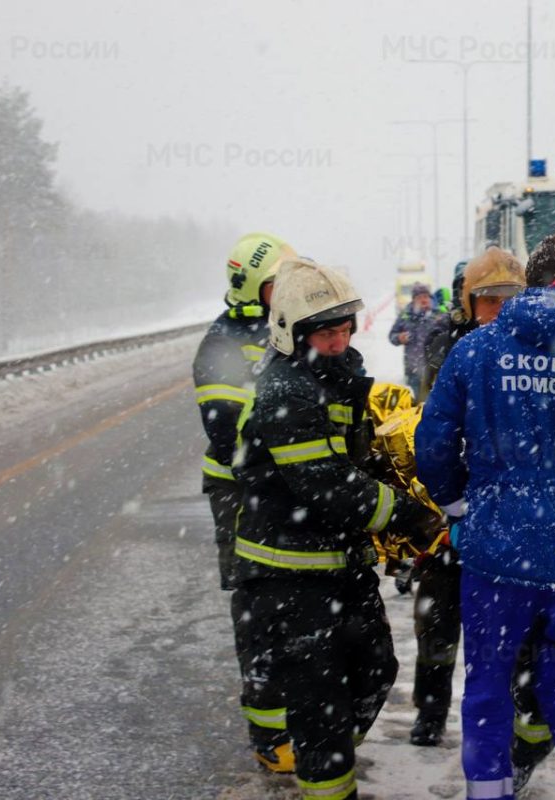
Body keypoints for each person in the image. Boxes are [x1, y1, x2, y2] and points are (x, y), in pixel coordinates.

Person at [416, 235, 555, 800]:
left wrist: (458, 505)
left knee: (489, 685)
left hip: (497, 554)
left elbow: (434, 441)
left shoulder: (478, 350)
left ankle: (488, 793)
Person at [233, 257, 444, 798]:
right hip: (289, 575)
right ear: (292, 332)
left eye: (345, 327)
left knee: (376, 669)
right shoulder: (285, 391)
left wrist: (396, 473)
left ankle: (322, 753)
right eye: (326, 332)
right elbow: (326, 482)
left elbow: (351, 461)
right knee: (320, 703)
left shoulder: (337, 374)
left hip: (340, 564)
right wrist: (409, 516)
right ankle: (323, 770)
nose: (339, 339)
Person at [408, 247, 527, 747]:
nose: (499, 310)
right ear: (467, 302)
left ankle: (515, 715)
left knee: (512, 626)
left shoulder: (534, 346)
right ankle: (430, 710)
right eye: (489, 299)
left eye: (509, 298)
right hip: (453, 503)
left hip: (509, 508)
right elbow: (437, 426)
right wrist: (451, 502)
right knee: (438, 616)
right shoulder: (450, 344)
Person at [191, 231, 295, 771]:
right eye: (280, 282)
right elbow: (226, 429)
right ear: (253, 288)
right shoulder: (223, 344)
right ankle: (269, 733)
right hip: (239, 491)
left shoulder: (286, 325)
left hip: (284, 483)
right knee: (259, 606)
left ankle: (301, 710)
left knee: (297, 599)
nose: (290, 289)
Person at [389, 282, 442, 401]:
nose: (423, 300)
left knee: (434, 403)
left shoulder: (439, 314)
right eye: (419, 297)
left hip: (435, 370)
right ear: (413, 300)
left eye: (426, 296)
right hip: (413, 370)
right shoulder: (405, 315)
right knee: (416, 403)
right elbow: (392, 335)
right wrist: (399, 337)